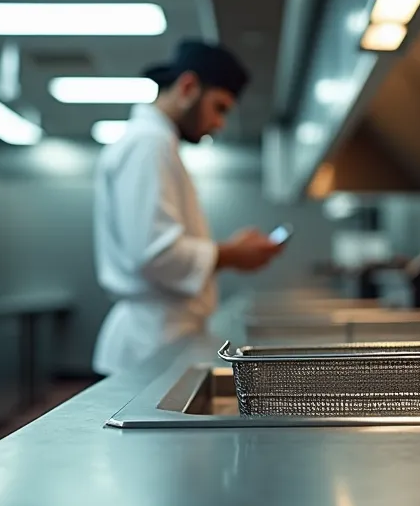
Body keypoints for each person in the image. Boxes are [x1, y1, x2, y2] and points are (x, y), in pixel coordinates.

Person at [92, 39, 284, 376]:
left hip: (160, 337)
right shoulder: (149, 145)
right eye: (220, 107)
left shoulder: (158, 144)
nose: (220, 123)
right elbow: (153, 255)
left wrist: (227, 253)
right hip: (148, 342)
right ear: (188, 87)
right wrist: (230, 254)